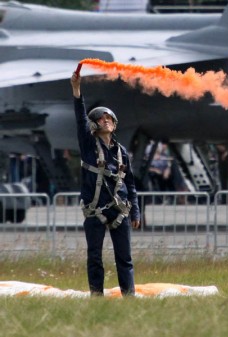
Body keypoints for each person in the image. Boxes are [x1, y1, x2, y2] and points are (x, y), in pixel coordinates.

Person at [71, 71, 141, 297]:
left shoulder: (122, 152)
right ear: (94, 124)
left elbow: (130, 184)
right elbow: (80, 118)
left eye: (109, 118)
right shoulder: (88, 146)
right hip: (95, 212)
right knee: (95, 257)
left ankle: (129, 297)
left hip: (120, 212)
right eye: (101, 118)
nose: (106, 120)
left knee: (125, 258)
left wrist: (136, 212)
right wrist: (77, 90)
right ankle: (96, 297)